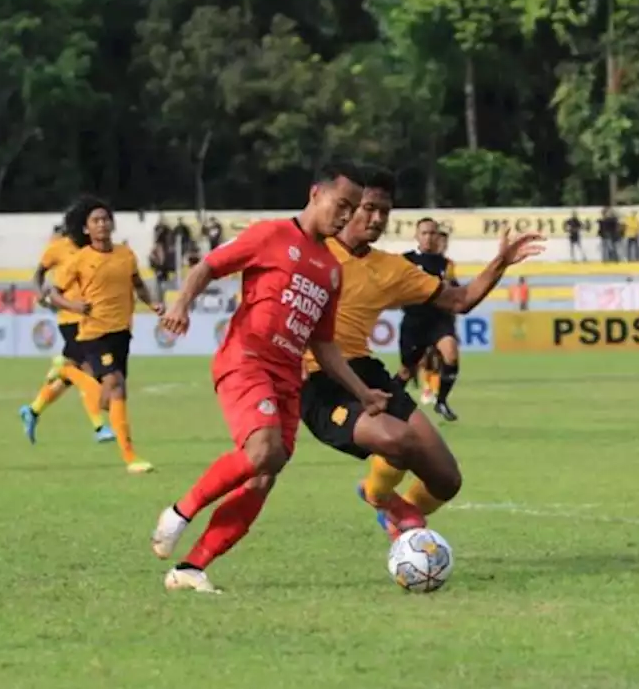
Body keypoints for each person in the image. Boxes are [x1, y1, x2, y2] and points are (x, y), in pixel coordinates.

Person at [149, 162, 390, 594]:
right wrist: (181, 304)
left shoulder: (331, 270)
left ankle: (191, 569)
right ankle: (180, 511)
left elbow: (324, 345)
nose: (346, 216)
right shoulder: (271, 235)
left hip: (287, 376)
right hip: (246, 359)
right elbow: (209, 266)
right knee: (263, 450)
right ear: (316, 194)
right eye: (342, 205)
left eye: (353, 209)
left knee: (266, 471)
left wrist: (362, 392)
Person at [296, 170, 543, 545]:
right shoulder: (310, 249)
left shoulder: (391, 268)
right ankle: (387, 501)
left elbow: (461, 300)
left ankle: (393, 517)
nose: (377, 219)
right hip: (319, 378)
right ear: (347, 208)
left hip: (365, 371)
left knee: (447, 480)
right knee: (398, 440)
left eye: (385, 212)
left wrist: (501, 262)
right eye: (369, 209)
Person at [47, 197, 160, 474]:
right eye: (95, 221)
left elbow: (138, 284)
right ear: (86, 229)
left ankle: (68, 372)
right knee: (117, 384)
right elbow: (53, 294)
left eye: (105, 219)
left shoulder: (125, 254)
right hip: (94, 333)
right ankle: (131, 457)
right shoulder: (80, 260)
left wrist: (153, 303)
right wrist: (74, 306)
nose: (102, 224)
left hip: (122, 333)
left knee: (109, 399)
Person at [18, 220, 115, 445]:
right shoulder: (58, 248)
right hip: (70, 318)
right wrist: (40, 294)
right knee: (89, 373)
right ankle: (99, 427)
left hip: (91, 318)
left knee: (71, 375)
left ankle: (33, 410)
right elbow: (39, 273)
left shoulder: (93, 248)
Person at [397, 220, 464, 420]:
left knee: (450, 355)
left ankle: (441, 401)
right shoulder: (405, 260)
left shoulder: (446, 264)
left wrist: (450, 287)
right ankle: (388, 399)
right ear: (417, 236)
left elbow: (455, 288)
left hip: (439, 320)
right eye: (424, 233)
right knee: (406, 371)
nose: (428, 237)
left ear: (437, 236)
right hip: (414, 321)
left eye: (432, 233)